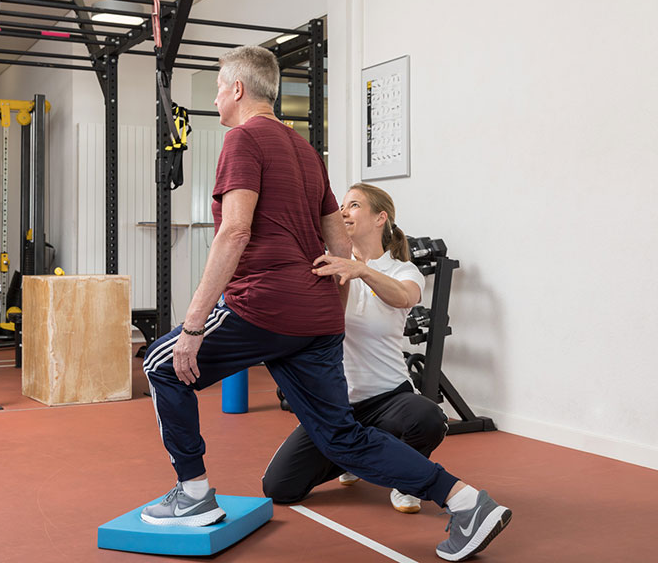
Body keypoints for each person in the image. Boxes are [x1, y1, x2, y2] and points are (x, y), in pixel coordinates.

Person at [140, 45, 511, 561]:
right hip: (313, 316)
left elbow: (235, 231)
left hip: (264, 304)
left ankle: (196, 494)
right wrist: (326, 320)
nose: (218, 96)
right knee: (340, 438)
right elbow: (338, 245)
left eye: (220, 86)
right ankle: (466, 501)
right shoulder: (306, 151)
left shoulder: (243, 139)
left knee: (160, 365)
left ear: (239, 89)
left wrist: (193, 325)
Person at [262, 183, 449, 515]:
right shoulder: (329, 264)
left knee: (428, 417)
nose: (343, 212)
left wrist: (362, 269)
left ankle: (406, 481)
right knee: (279, 487)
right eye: (342, 207)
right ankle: (355, 455)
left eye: (354, 205)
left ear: (381, 218)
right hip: (335, 406)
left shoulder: (403, 271)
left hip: (389, 397)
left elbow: (405, 297)